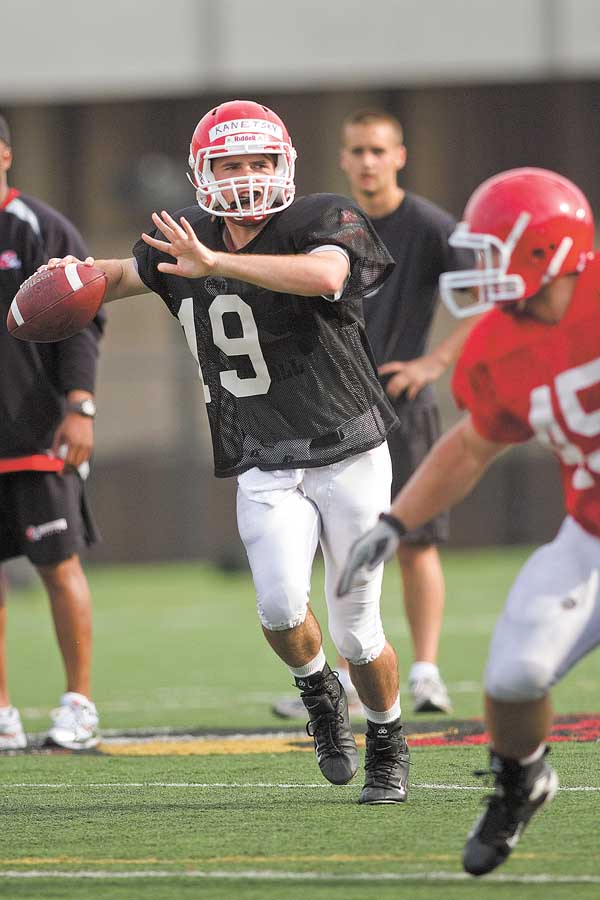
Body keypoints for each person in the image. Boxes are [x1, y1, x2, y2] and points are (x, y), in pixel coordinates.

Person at [43, 99, 410, 804]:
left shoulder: (323, 218)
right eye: (231, 164)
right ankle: (320, 698)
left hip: (350, 451)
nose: (246, 176)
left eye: (260, 163)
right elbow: (121, 275)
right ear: (202, 172)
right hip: (266, 457)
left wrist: (217, 264)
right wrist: (70, 279)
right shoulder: (182, 240)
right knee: (278, 609)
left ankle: (389, 741)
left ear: (285, 167)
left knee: (358, 632)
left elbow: (329, 276)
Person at [338, 166, 599, 870]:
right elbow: (473, 444)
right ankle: (522, 780)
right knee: (513, 678)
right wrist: (395, 523)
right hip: (591, 537)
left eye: (493, 248)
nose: (479, 267)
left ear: (542, 248)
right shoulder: (497, 346)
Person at [273, 109, 476, 720]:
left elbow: (487, 303)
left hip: (400, 407)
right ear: (343, 158)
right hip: (331, 406)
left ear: (400, 156)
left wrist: (432, 363)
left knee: (414, 542)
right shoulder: (325, 223)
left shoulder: (429, 226)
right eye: (357, 150)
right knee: (323, 546)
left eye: (378, 150)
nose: (367, 161)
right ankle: (338, 676)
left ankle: (426, 673)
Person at [0, 113, 104, 751]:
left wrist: (80, 405)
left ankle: (79, 703)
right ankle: (2, 712)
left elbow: (84, 317)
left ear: (5, 154)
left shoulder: (38, 227)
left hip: (38, 435)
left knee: (58, 566)